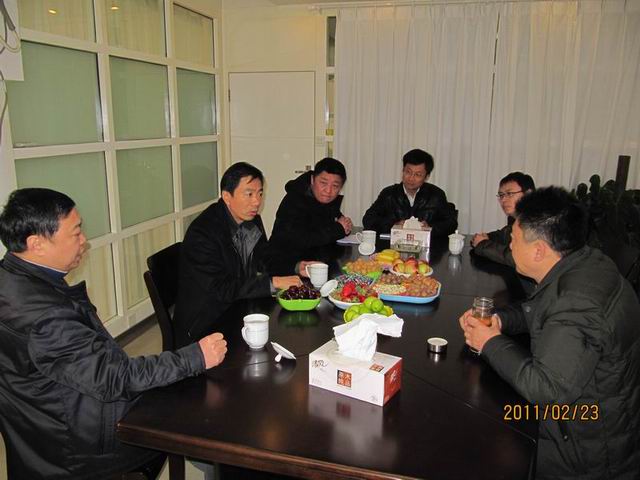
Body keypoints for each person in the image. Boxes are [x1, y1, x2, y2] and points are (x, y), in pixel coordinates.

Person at [0, 188, 228, 480]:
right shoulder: (47, 317)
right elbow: (115, 377)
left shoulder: (12, 278)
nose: (84, 241)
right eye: (76, 233)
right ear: (37, 244)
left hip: (38, 432)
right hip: (77, 449)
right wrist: (195, 356)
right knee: (189, 404)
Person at [459, 187, 640, 480]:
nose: (510, 246)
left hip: (585, 449)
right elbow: (540, 309)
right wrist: (500, 320)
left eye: (514, 239)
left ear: (539, 250)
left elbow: (548, 390)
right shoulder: (584, 263)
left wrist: (490, 342)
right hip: (600, 422)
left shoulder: (577, 302)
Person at [174, 162, 306, 348]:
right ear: (227, 196)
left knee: (291, 331)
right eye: (249, 194)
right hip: (206, 323)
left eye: (260, 193)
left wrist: (295, 266)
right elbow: (220, 289)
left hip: (238, 305)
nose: (257, 202)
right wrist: (272, 282)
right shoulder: (203, 234)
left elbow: (265, 258)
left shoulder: (250, 219)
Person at [268, 157, 353, 273]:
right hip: (288, 266)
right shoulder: (294, 200)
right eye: (323, 183)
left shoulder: (326, 199)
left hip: (316, 261)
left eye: (335, 186)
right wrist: (338, 229)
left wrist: (344, 224)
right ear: (312, 179)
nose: (328, 191)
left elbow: (333, 221)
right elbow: (299, 239)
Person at [362, 148, 457, 236]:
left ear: (427, 177)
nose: (411, 178)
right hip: (393, 246)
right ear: (403, 171)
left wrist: (430, 227)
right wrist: (395, 225)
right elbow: (368, 220)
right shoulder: (389, 194)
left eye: (418, 174)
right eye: (408, 172)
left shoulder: (436, 195)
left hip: (427, 246)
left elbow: (451, 224)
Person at [471, 171, 535, 266]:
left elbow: (519, 258)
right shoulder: (516, 218)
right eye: (501, 195)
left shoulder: (539, 221)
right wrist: (487, 237)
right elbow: (504, 235)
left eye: (510, 193)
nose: (503, 200)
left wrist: (483, 244)